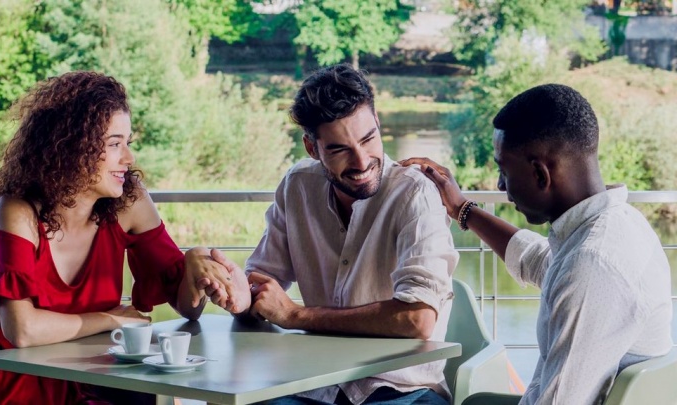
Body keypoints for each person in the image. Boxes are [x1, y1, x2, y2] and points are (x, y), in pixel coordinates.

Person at [191, 64, 459, 405]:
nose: (361, 162)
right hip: (314, 385)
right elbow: (263, 284)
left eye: (368, 139)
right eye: (339, 149)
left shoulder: (415, 194)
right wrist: (241, 295)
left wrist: (295, 316)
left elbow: (417, 319)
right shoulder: (297, 185)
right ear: (311, 148)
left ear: (378, 123)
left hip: (403, 390)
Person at [401, 83, 673, 405]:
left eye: (504, 171)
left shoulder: (593, 265)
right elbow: (537, 260)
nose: (500, 186)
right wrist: (463, 209)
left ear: (540, 174)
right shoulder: (620, 225)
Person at [0, 71, 217, 404]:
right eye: (114, 144)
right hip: (7, 378)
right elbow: (21, 330)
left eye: (128, 143)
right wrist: (110, 319)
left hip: (88, 373)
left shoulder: (130, 201)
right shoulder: (17, 209)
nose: (129, 158)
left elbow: (188, 309)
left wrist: (196, 264)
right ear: (71, 147)